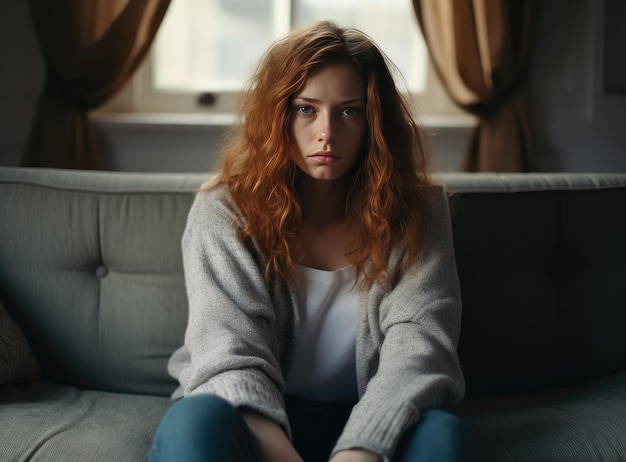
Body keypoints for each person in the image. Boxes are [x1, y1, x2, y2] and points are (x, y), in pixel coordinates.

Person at [149, 20, 470, 462]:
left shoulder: (420, 212)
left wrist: (360, 451)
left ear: (374, 120)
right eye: (306, 109)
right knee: (194, 422)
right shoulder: (224, 210)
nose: (327, 133)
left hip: (370, 419)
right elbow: (228, 356)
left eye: (349, 111)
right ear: (278, 114)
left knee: (441, 434)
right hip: (252, 422)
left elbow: (421, 351)